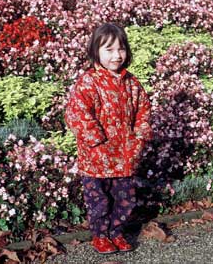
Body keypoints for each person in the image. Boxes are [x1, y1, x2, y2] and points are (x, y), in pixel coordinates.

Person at [64, 23, 152, 254]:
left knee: (125, 201)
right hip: (97, 160)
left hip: (125, 158)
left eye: (121, 49)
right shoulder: (89, 81)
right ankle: (100, 235)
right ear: (96, 51)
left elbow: (143, 110)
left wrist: (139, 136)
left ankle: (116, 232)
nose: (116, 55)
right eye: (109, 49)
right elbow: (77, 112)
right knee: (99, 202)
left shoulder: (132, 83)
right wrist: (96, 140)